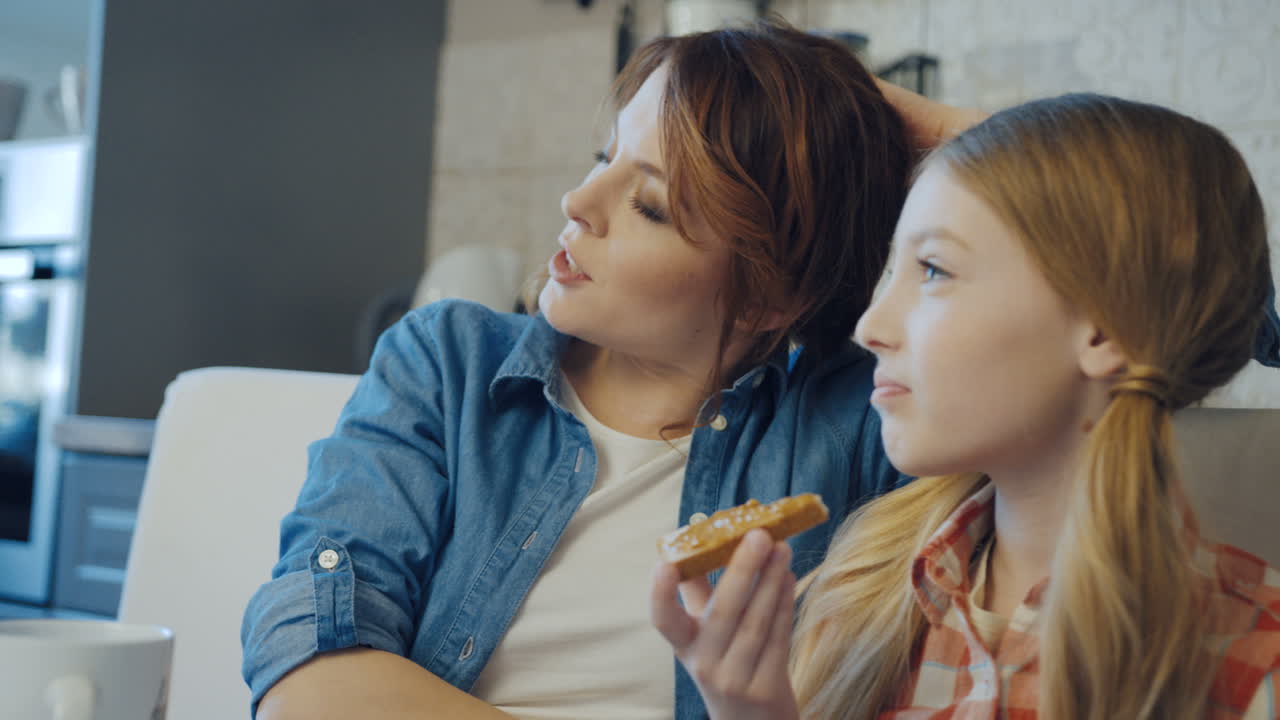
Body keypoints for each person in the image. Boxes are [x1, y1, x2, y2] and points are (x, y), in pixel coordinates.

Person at [241, 18, 917, 720]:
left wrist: (949, 140)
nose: (578, 203)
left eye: (649, 206)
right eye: (605, 156)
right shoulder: (447, 365)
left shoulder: (862, 429)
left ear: (771, 297)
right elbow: (308, 686)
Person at [651, 93, 1280, 719]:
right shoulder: (855, 598)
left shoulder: (1255, 659)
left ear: (1104, 330)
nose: (870, 325)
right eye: (886, 274)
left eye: (932, 270)